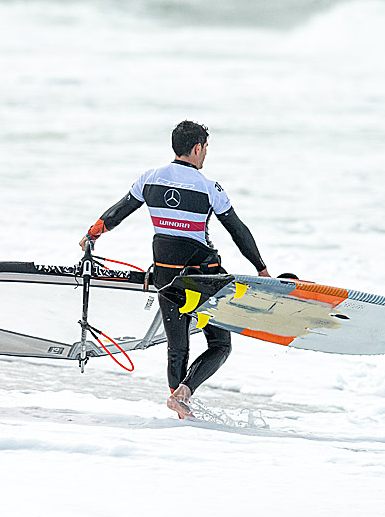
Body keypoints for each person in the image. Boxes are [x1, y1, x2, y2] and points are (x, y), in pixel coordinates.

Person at [78, 120, 270, 418]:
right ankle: (184, 393)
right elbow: (237, 230)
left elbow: (117, 213)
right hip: (203, 280)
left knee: (177, 349)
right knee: (220, 345)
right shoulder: (209, 188)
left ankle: (179, 408)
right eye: (205, 148)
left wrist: (92, 234)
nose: (205, 154)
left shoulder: (149, 179)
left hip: (166, 279)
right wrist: (261, 269)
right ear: (197, 148)